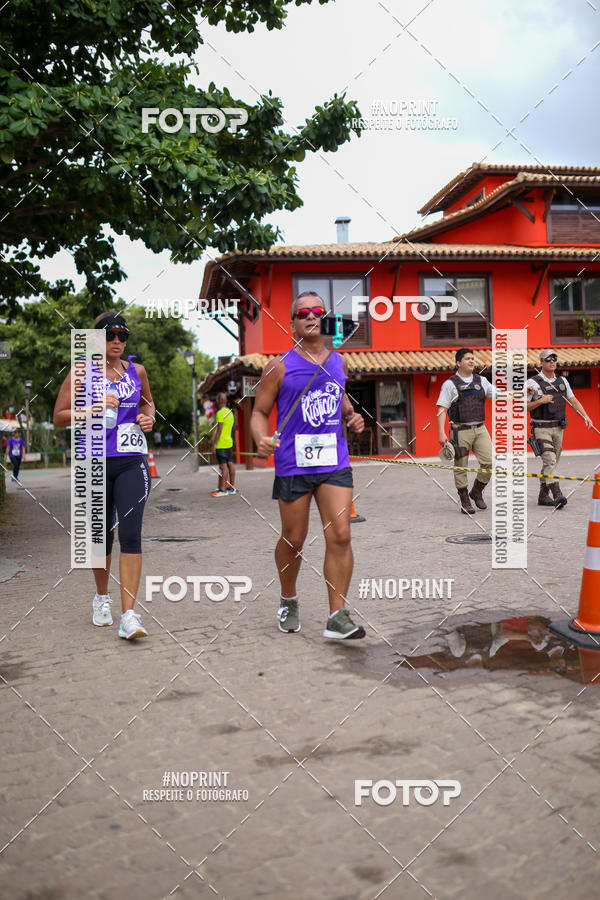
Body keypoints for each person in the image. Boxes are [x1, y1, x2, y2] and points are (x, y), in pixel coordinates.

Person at [250, 291, 366, 640]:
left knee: (341, 535)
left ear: (324, 317)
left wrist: (351, 416)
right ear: (293, 323)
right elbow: (258, 412)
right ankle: (288, 598)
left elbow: (339, 396)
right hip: (293, 463)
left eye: (317, 311)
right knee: (294, 538)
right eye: (303, 313)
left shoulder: (338, 362)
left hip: (334, 460)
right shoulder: (279, 365)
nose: (311, 316)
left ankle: (337, 616)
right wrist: (260, 439)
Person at [53, 311, 156, 640]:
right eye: (110, 335)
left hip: (131, 460)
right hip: (92, 462)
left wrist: (147, 418)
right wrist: (93, 408)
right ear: (97, 338)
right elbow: (59, 416)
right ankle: (101, 598)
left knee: (130, 533)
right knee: (99, 538)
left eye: (122, 335)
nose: (117, 341)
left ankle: (128, 614)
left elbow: (148, 404)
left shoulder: (136, 370)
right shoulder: (81, 372)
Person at [527, 349, 592, 507]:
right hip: (541, 428)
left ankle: (543, 495)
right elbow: (525, 406)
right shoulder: (532, 383)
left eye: (554, 359)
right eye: (548, 359)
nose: (552, 361)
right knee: (549, 460)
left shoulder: (563, 381)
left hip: (558, 428)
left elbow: (573, 400)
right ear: (541, 362)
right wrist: (540, 401)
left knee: (552, 463)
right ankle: (558, 494)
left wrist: (585, 415)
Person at [436, 348, 495, 515]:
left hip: (480, 429)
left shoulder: (482, 380)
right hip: (460, 430)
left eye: (473, 358)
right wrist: (441, 432)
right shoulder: (450, 384)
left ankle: (476, 491)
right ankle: (464, 499)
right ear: (458, 363)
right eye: (467, 359)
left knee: (489, 461)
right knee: (461, 466)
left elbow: (499, 394)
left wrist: (520, 393)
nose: (471, 361)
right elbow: (442, 409)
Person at [211, 392, 237, 496]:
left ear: (218, 401)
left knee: (223, 466)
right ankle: (231, 487)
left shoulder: (220, 413)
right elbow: (233, 427)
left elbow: (219, 430)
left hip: (221, 443)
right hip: (229, 442)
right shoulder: (230, 412)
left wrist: (214, 444)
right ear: (225, 401)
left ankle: (222, 489)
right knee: (230, 463)